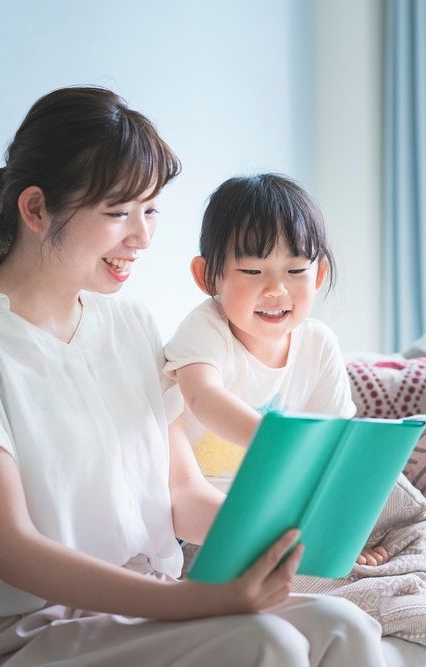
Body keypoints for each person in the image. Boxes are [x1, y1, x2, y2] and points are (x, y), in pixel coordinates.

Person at [0, 86, 386, 666]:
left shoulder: (132, 323)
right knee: (264, 644)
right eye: (118, 213)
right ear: (36, 210)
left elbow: (183, 493)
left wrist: (288, 539)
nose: (142, 237)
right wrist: (196, 603)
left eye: (150, 210)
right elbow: (11, 548)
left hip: (141, 611)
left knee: (348, 627)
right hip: (18, 631)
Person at [163, 174, 388, 567]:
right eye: (252, 272)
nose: (276, 290)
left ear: (317, 277)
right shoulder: (205, 328)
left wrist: (339, 529)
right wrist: (278, 443)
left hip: (286, 516)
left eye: (295, 271)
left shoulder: (318, 344)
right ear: (206, 277)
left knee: (391, 491)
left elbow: (333, 447)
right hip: (204, 521)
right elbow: (201, 397)